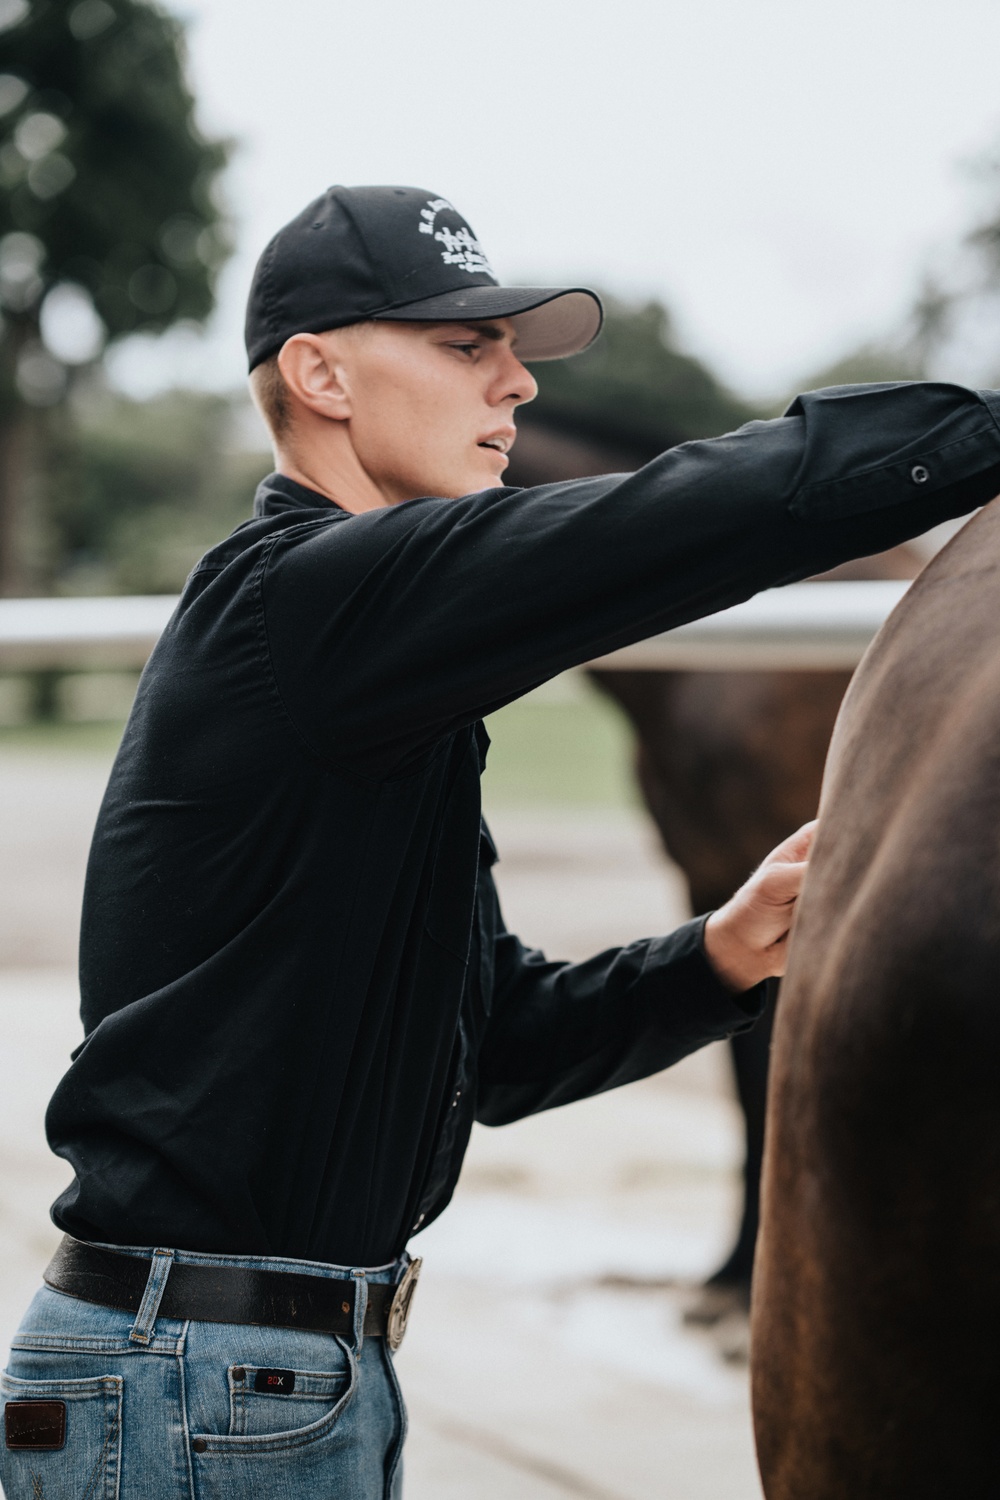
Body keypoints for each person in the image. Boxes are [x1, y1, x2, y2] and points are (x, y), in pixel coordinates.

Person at [2, 184, 999, 1500]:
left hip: (254, 1378)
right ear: (320, 374)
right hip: (198, 1385)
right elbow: (693, 515)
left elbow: (496, 1042)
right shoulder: (313, 600)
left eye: (514, 352)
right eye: (468, 349)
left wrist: (717, 954)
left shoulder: (366, 668)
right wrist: (970, 434)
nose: (517, 386)